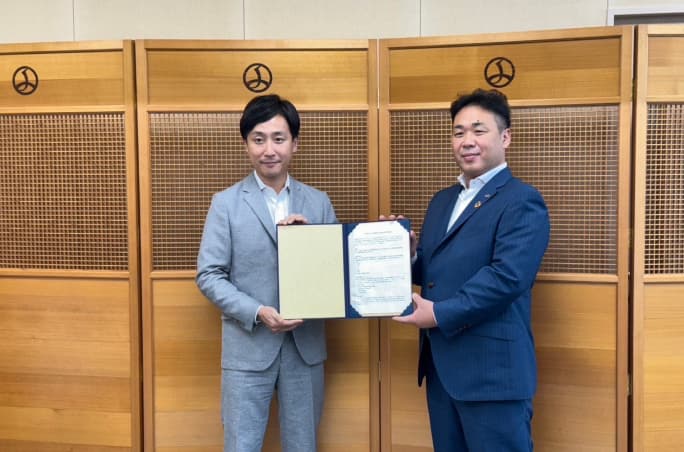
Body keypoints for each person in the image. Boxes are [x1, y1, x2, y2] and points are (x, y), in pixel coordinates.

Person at [393, 88, 550, 451]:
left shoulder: (522, 200)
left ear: (505, 137)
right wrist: (409, 256)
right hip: (441, 370)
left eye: (479, 130)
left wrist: (438, 314)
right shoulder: (442, 200)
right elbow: (436, 271)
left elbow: (507, 278)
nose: (467, 141)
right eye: (459, 132)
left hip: (493, 374)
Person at [196, 94, 337, 452]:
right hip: (247, 348)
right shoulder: (225, 203)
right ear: (246, 144)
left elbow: (336, 275)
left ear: (295, 143)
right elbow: (209, 275)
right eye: (258, 139)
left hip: (305, 349)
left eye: (278, 138)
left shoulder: (318, 202)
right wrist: (258, 312)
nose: (269, 150)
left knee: (303, 445)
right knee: (241, 446)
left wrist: (312, 242)